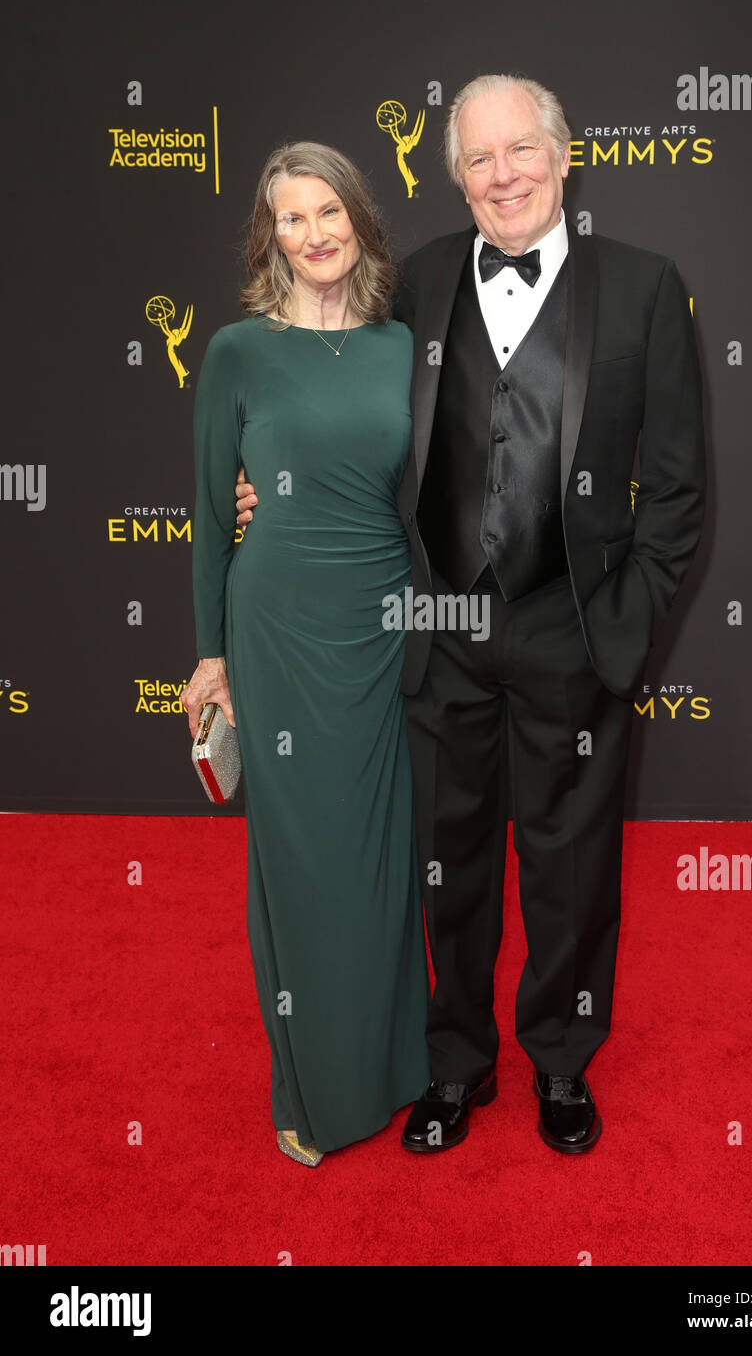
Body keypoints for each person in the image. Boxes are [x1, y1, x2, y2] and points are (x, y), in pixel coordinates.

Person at [236, 75, 706, 1156]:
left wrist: (621, 622)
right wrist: (265, 477)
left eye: (518, 152)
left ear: (561, 153)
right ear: (454, 177)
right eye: (477, 160)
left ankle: (557, 1060)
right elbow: (336, 402)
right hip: (437, 621)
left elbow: (676, 487)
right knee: (444, 860)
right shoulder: (421, 279)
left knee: (571, 863)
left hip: (570, 627)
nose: (501, 176)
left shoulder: (642, 289)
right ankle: (455, 1061)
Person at [182, 142, 430, 1167]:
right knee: (295, 863)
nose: (313, 234)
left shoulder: (399, 346)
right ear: (267, 235)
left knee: (377, 858)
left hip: (381, 628)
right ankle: (309, 1085)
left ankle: (399, 1067)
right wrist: (210, 657)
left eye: (328, 212)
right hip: (275, 626)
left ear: (357, 222)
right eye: (291, 218)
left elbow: (425, 492)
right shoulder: (238, 351)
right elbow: (207, 512)